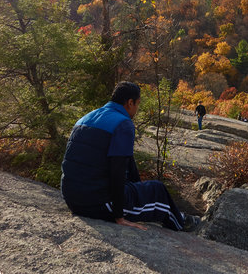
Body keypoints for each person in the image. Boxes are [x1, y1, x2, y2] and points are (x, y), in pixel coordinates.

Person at [61, 81, 199, 231]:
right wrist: (119, 216)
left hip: (72, 199)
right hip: (97, 204)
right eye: (137, 104)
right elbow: (117, 171)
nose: (137, 109)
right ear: (130, 102)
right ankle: (182, 223)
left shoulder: (86, 118)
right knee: (158, 190)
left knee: (131, 168)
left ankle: (179, 216)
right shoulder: (123, 123)